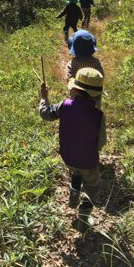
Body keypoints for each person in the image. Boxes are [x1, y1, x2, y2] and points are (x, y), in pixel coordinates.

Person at [39, 67, 106, 232]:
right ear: (97, 94)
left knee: (75, 172)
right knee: (92, 188)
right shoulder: (98, 115)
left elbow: (45, 114)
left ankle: (74, 193)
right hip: (88, 162)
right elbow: (101, 143)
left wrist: (44, 98)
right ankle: (83, 220)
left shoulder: (64, 105)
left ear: (74, 89)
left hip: (68, 156)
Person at [66, 30, 104, 103]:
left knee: (77, 110)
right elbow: (101, 76)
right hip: (94, 95)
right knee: (95, 111)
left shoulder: (72, 63)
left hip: (76, 96)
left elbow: (68, 78)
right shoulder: (96, 62)